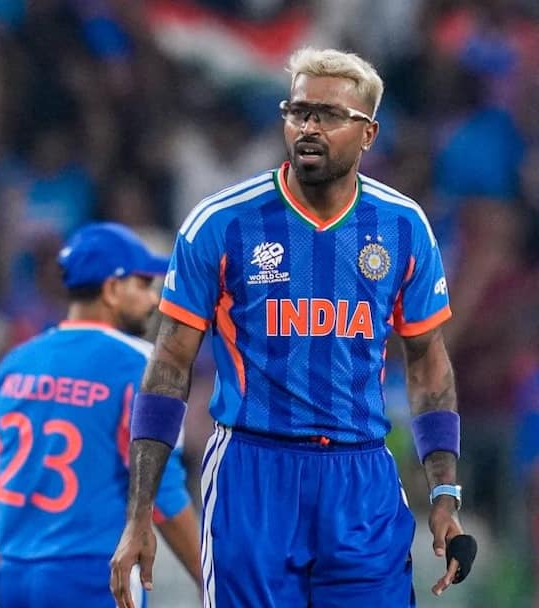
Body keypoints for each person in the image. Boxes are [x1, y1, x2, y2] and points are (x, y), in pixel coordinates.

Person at [110, 48, 478, 608]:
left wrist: (444, 493)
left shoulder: (403, 226)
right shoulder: (221, 222)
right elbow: (169, 366)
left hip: (361, 480)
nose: (308, 127)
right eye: (298, 111)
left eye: (328, 115)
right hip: (252, 475)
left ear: (369, 133)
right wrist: (139, 516)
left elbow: (428, 362)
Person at [0, 222, 202, 607]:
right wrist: (209, 578)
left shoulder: (15, 364)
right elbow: (162, 491)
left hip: (15, 574)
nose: (153, 299)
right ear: (112, 289)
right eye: (143, 284)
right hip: (95, 574)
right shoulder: (141, 365)